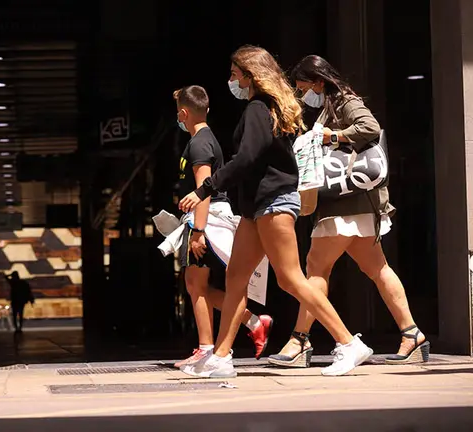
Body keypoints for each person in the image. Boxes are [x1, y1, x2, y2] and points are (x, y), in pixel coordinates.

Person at [178, 45, 373, 378]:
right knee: (235, 278)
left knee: (290, 278)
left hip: (273, 202)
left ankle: (348, 343)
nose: (231, 81)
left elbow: (248, 158)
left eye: (234, 74)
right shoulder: (273, 108)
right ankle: (222, 357)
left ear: (250, 76)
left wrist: (205, 189)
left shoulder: (258, 108)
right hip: (257, 208)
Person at [268, 55, 428, 367]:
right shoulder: (333, 103)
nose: (303, 95)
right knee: (378, 270)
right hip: (360, 205)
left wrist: (333, 136)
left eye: (303, 88)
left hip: (342, 206)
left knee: (315, 269)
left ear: (317, 81)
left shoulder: (343, 100)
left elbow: (369, 126)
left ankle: (299, 340)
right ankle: (412, 334)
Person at [171, 85, 273, 369]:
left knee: (196, 284)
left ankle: (208, 348)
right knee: (196, 284)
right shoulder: (204, 139)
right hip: (209, 217)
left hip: (207, 219)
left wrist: (199, 231)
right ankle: (252, 322)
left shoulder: (199, 144)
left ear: (183, 113)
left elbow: (204, 188)